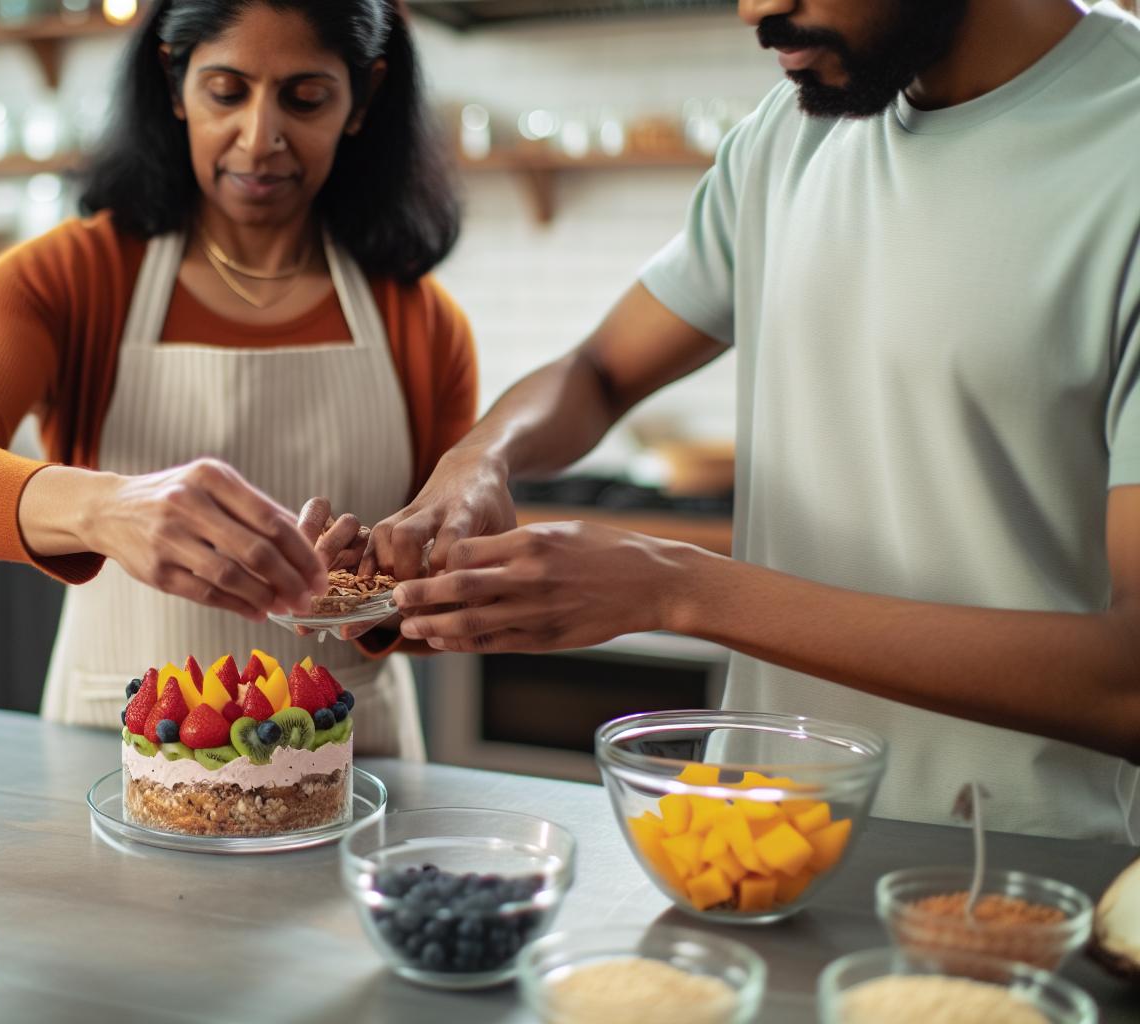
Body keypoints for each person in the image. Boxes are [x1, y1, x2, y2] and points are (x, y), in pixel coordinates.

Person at [367, 0, 1140, 839]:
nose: (754, 9)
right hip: (753, 839)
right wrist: (480, 457)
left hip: (1023, 872)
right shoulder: (789, 132)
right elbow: (598, 371)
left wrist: (678, 587)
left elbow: (1128, 681)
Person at [0, 0, 475, 758]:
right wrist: (103, 508)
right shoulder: (73, 278)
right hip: (112, 751)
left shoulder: (420, 320)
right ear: (173, 82)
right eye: (226, 91)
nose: (259, 137)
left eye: (305, 98)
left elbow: (438, 589)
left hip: (353, 760)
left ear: (363, 100)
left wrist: (384, 592)